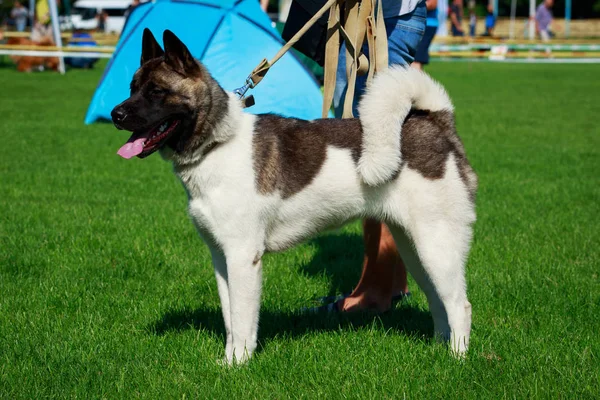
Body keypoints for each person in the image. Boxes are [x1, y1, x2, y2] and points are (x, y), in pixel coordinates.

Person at [316, 0, 426, 313]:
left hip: (383, 21)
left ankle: (374, 294)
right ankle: (393, 285)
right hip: (362, 17)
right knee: (373, 152)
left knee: (374, 156)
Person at [413, 0, 438, 70]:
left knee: (416, 58)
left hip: (427, 25)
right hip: (421, 23)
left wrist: (412, 8)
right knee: (416, 57)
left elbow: (433, 3)